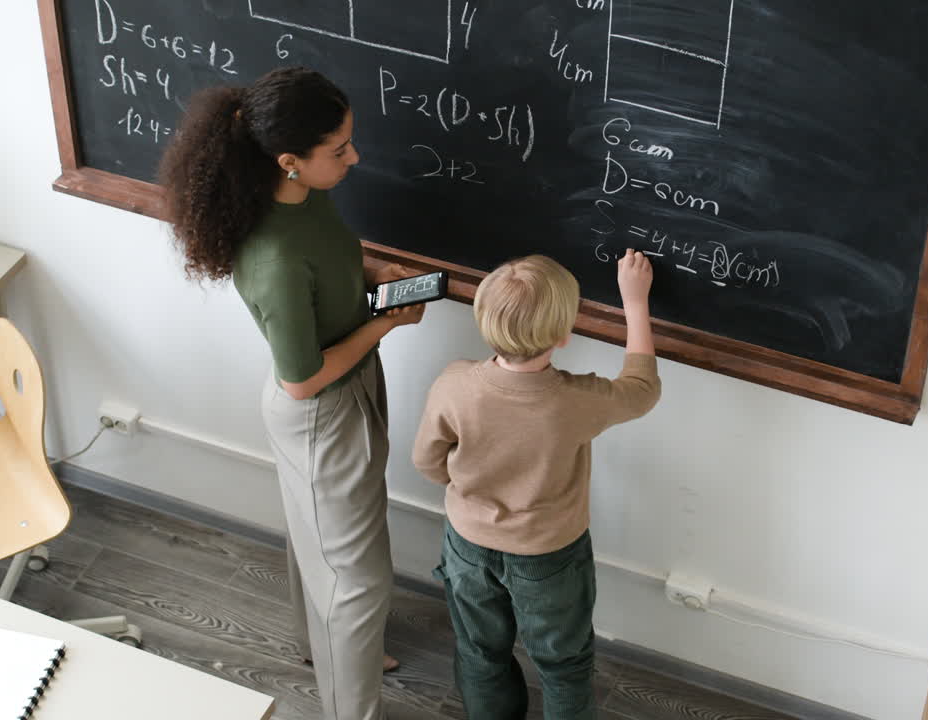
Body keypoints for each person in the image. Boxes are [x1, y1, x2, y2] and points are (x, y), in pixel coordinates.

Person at [159, 66, 422, 720]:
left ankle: (324, 646)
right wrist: (384, 323)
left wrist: (371, 272)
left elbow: (327, 259)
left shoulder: (304, 196)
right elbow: (301, 379)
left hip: (349, 385)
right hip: (322, 411)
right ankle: (347, 706)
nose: (353, 157)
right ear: (290, 161)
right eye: (339, 149)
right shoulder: (272, 257)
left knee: (322, 547)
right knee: (358, 584)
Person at [412, 251, 661, 719]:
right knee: (564, 664)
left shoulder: (455, 384)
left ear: (484, 321)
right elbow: (642, 391)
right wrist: (635, 302)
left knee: (479, 653)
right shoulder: (576, 400)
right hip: (549, 557)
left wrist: (469, 491)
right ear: (564, 334)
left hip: (468, 546)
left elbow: (426, 460)